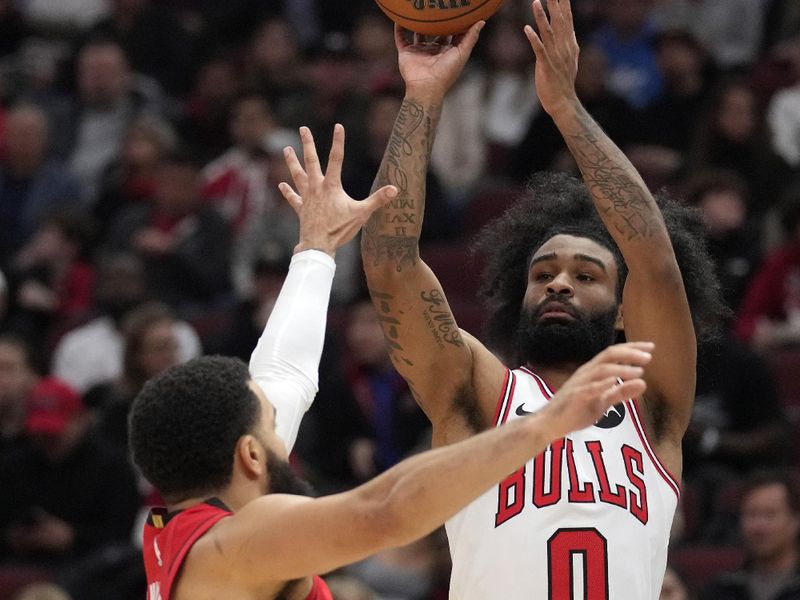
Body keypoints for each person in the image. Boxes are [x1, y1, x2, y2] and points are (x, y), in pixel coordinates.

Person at [129, 124, 655, 600]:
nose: (281, 432)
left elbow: (283, 376)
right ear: (249, 455)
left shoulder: (182, 538)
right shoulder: (235, 544)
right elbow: (384, 513)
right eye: (271, 426)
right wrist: (546, 423)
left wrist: (316, 248)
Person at [360, 1, 725, 598]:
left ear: (624, 310)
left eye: (586, 276)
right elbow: (389, 265)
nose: (558, 283)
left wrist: (565, 106)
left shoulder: (651, 401)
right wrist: (422, 97)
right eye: (544, 274)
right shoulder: (483, 395)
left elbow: (654, 259)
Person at [703, 471, 800, 600]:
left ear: (795, 520)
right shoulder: (722, 589)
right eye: (751, 514)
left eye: (770, 515)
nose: (759, 526)